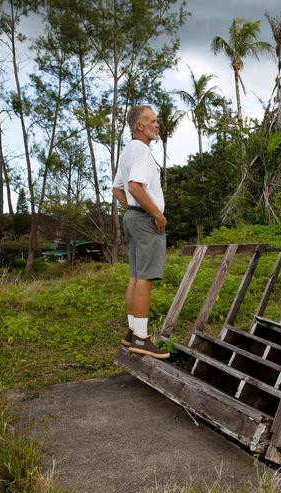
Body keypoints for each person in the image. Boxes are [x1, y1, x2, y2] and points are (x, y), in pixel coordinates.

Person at [112, 105, 170, 359]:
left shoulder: (128, 151)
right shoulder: (142, 150)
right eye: (153, 121)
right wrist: (156, 214)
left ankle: (132, 332)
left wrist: (132, 211)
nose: (157, 125)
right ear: (139, 126)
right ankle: (141, 338)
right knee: (145, 278)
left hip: (133, 218)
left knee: (136, 276)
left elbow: (117, 189)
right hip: (145, 221)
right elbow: (134, 187)